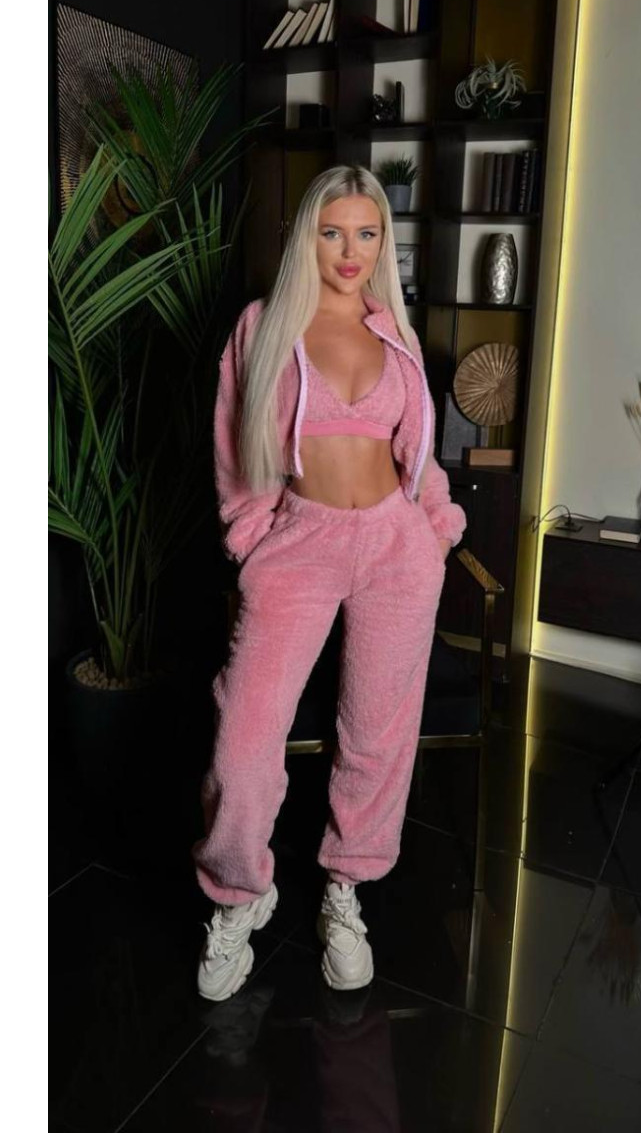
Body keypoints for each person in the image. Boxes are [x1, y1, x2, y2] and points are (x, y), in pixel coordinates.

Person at [193, 164, 467, 1003]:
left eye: (367, 233)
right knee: (244, 741)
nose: (351, 252)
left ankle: (345, 890)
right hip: (300, 544)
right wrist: (251, 541)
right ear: (306, 237)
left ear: (384, 242)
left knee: (377, 735)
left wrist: (434, 530)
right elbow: (235, 447)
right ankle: (239, 891)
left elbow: (416, 453)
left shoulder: (395, 336)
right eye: (333, 232)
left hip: (393, 547)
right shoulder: (264, 327)